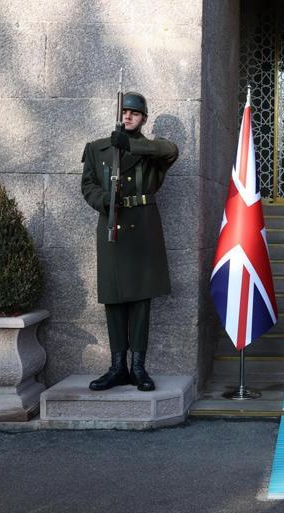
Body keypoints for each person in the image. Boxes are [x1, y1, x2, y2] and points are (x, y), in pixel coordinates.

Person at [81, 92, 179, 392]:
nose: (128, 117)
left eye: (134, 114)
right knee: (114, 297)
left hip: (143, 229)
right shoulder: (98, 148)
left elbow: (170, 150)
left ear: (144, 118)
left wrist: (131, 144)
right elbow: (87, 185)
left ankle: (138, 367)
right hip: (113, 226)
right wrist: (104, 200)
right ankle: (117, 367)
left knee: (140, 299)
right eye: (124, 112)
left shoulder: (152, 150)